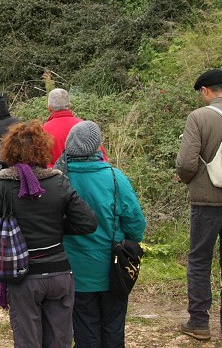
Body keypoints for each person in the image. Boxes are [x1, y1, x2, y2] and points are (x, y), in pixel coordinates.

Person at [0, 120, 97, 347]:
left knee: (28, 342)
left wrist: (9, 232)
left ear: (9, 151)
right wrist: (57, 228)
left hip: (23, 277)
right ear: (43, 149)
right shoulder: (58, 181)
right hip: (59, 272)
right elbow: (88, 223)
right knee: (60, 342)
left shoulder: (2, 187)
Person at [57, 121, 146, 347]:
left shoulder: (59, 179)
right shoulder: (115, 178)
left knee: (84, 330)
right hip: (112, 267)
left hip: (74, 268)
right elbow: (136, 225)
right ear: (98, 146)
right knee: (113, 329)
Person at [176, 69, 222, 340]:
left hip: (206, 200)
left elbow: (186, 162)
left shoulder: (199, 117)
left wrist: (189, 180)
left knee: (199, 260)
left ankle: (199, 322)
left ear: (205, 91)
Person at [43, 88, 106, 167]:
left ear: (49, 108)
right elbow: (102, 158)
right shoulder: (86, 128)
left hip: (56, 174)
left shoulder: (42, 131)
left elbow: (41, 164)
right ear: (70, 105)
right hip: (86, 173)